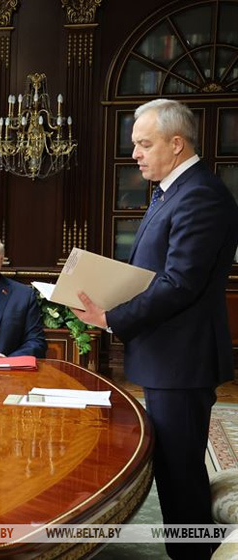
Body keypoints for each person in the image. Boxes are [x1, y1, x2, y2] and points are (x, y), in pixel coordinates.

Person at [72, 99, 238, 559]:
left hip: (182, 359)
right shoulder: (172, 191)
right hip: (168, 355)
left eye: (144, 144)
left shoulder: (200, 195)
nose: (135, 154)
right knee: (172, 467)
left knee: (180, 473)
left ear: (176, 143)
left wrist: (112, 317)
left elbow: (179, 282)